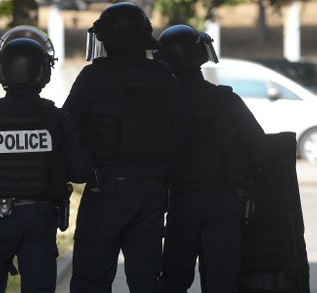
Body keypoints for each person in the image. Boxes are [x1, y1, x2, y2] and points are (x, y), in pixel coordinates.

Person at [0, 26, 91, 292]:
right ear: (44, 72)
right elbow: (80, 172)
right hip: (41, 220)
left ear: (0, 70)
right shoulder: (57, 119)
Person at [62, 2, 185, 292]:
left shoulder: (95, 75)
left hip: (104, 191)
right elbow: (181, 134)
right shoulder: (166, 78)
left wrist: (81, 171)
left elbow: (66, 127)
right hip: (151, 194)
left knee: (91, 281)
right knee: (146, 281)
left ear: (107, 39)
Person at [153, 24, 268, 293]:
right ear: (200, 56)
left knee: (173, 280)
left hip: (181, 203)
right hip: (224, 202)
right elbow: (261, 148)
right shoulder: (225, 100)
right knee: (223, 281)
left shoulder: (161, 105)